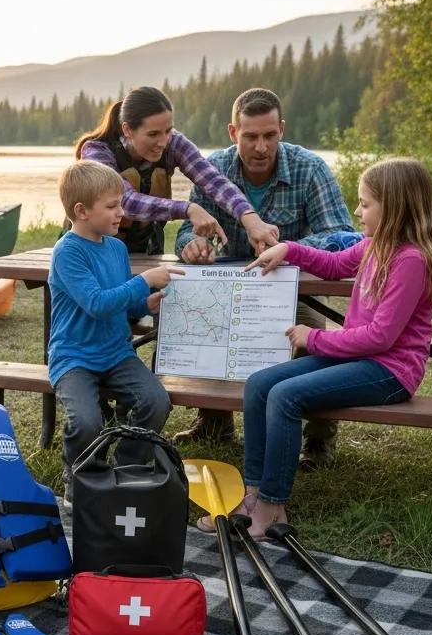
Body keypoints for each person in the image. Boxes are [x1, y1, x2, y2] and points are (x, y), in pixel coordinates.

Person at [202, 157, 432, 540]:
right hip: (357, 357)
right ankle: (252, 495)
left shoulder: (411, 261)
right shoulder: (375, 245)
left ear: (394, 206)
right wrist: (288, 249)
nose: (358, 211)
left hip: (390, 370)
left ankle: (272, 505)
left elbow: (381, 338)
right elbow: (335, 265)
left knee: (285, 396)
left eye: (365, 204)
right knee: (259, 385)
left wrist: (313, 338)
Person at [173, 88, 358, 468]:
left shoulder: (310, 168)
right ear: (232, 132)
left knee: (316, 339)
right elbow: (187, 231)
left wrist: (289, 247)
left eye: (270, 135)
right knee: (197, 321)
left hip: (294, 287)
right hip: (229, 287)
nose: (261, 147)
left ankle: (318, 439)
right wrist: (192, 244)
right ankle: (214, 421)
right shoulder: (213, 169)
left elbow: (342, 234)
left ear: (282, 129)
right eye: (251, 136)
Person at [49, 160, 184, 508]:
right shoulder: (67, 252)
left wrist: (146, 303)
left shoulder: (117, 248)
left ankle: (126, 468)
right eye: (112, 206)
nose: (121, 213)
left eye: (120, 204)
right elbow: (97, 303)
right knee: (86, 421)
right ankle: (81, 477)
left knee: (156, 402)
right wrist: (143, 281)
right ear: (81, 211)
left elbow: (123, 304)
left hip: (116, 353)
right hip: (74, 357)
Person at [76, 86, 280, 258]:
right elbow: (124, 201)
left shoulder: (174, 143)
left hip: (146, 253)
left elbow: (214, 181)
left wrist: (250, 219)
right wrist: (187, 208)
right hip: (91, 252)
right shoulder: (97, 152)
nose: (163, 142)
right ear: (128, 130)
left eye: (168, 130)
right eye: (153, 134)